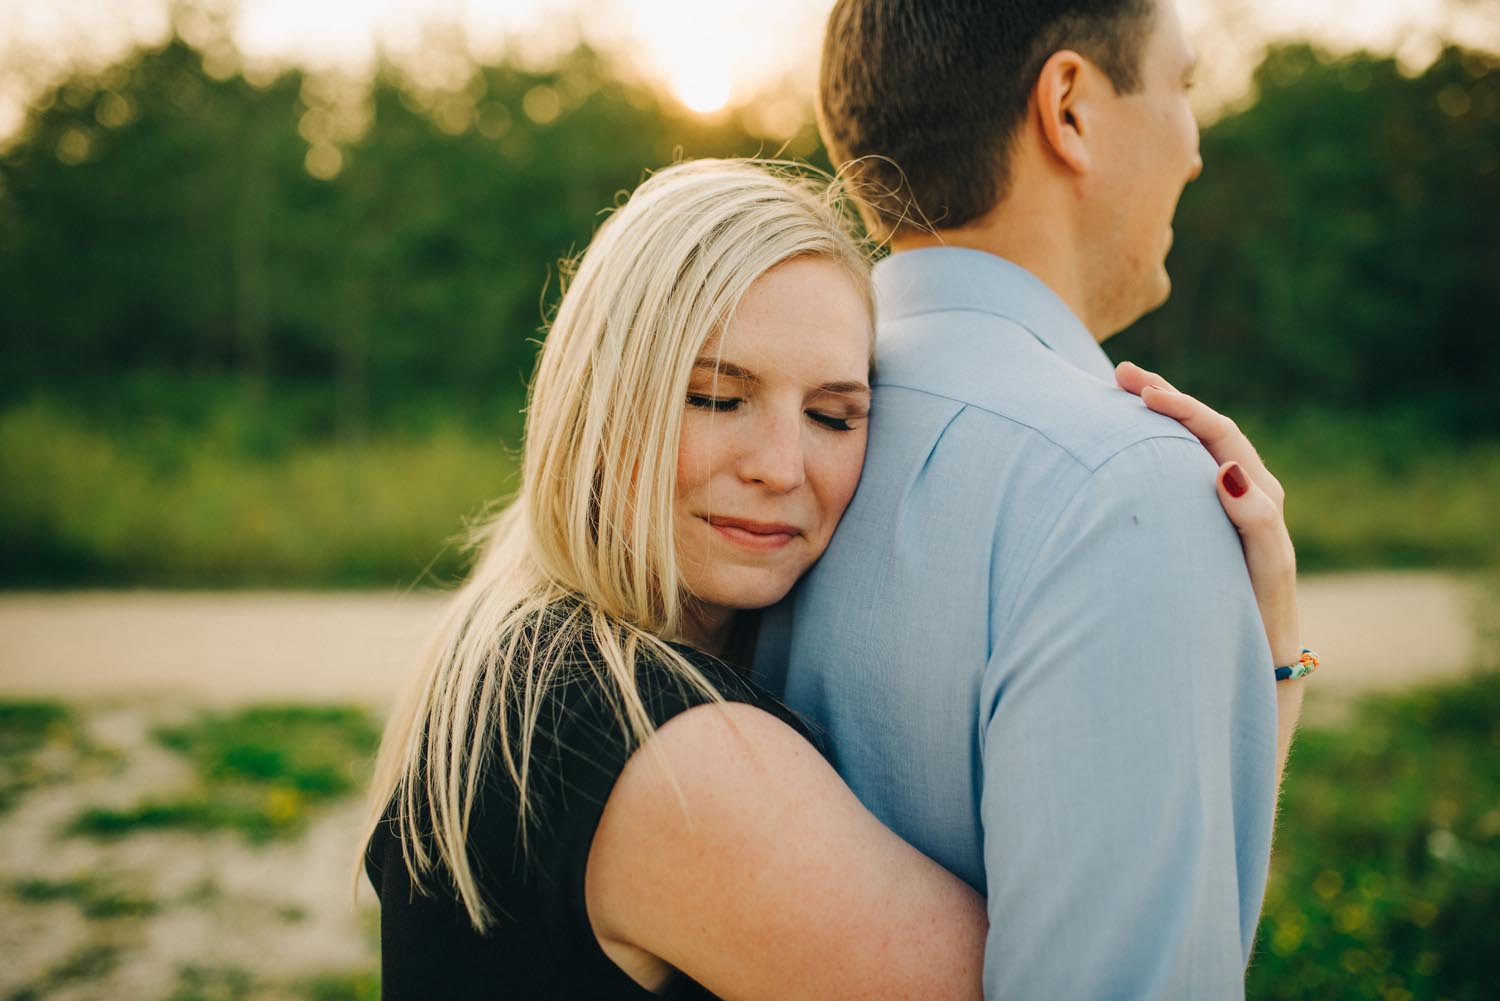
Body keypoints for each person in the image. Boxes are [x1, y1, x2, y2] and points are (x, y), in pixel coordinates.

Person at [359, 159, 1300, 1000]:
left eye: (834, 415)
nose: (780, 465)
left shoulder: (524, 646)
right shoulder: (666, 753)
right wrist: (1263, 668)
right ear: (600, 406)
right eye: (718, 397)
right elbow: (1126, 971)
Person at [754, 0, 1307, 998]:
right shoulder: (1123, 488)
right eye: (1182, 86)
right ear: (1070, 109)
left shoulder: (725, 442)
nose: (1193, 150)